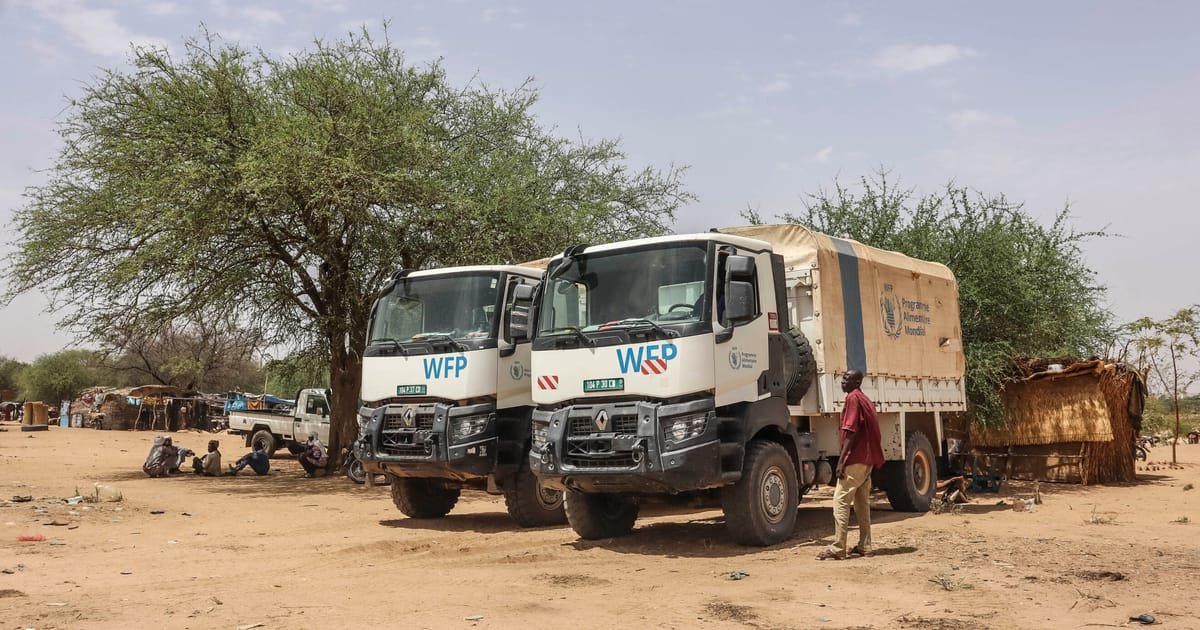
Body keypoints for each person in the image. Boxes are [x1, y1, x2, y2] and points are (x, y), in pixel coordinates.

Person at [817, 369, 885, 561]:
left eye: (847, 378)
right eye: (843, 378)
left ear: (857, 381)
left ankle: (838, 548)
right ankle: (865, 546)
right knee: (862, 503)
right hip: (867, 459)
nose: (843, 381)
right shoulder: (864, 398)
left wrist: (841, 460)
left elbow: (851, 431)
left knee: (840, 501)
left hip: (856, 458)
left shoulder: (853, 399)